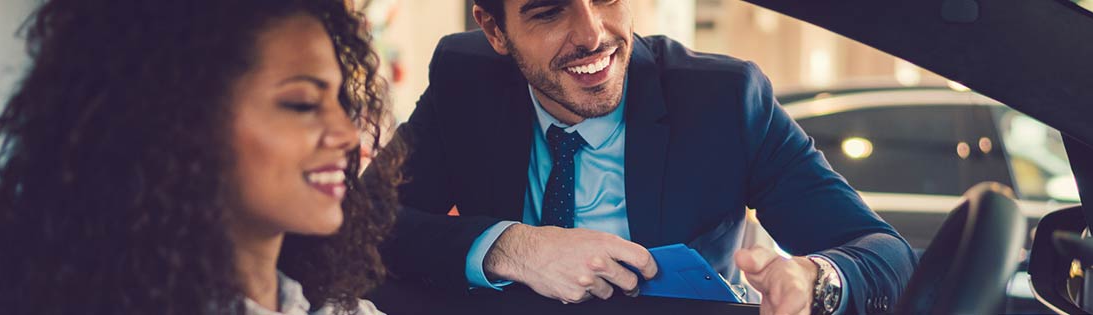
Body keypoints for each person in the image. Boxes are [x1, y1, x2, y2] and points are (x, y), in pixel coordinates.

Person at [372, 0, 917, 314]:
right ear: (493, 29)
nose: (593, 34)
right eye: (548, 11)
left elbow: (886, 253)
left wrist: (813, 280)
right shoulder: (464, 80)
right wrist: (511, 248)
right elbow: (361, 227)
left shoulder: (724, 99)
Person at [0, 0, 402, 314]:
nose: (347, 134)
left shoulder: (334, 308)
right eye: (303, 104)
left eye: (340, 101)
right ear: (179, 123)